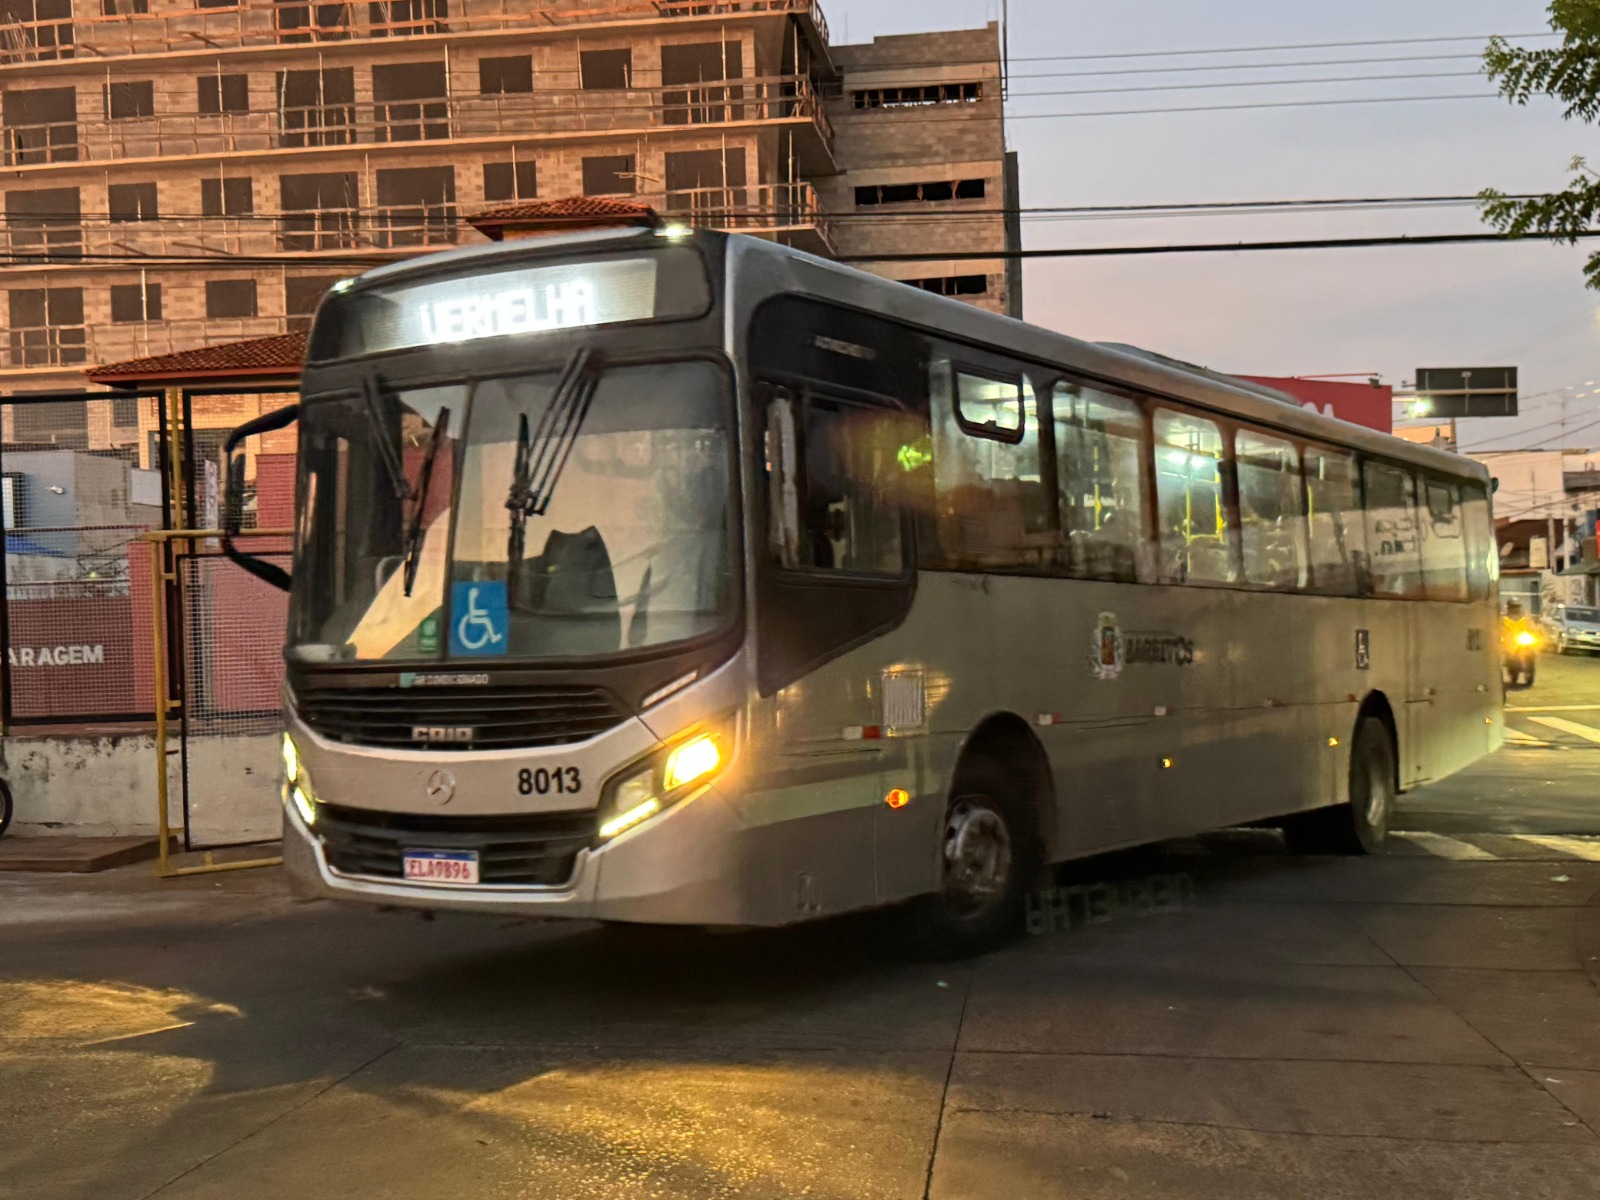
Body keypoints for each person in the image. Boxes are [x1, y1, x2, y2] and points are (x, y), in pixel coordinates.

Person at [1502, 600, 1538, 689]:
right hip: (1509, 642)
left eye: (1517, 606)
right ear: (1509, 607)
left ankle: (1529, 671)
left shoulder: (1525, 618)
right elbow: (1498, 629)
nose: (1515, 609)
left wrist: (1534, 632)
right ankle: (1510, 670)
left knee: (1531, 652)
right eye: (1513, 607)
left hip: (1523, 641)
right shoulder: (1503, 618)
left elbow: (1532, 627)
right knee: (1503, 654)